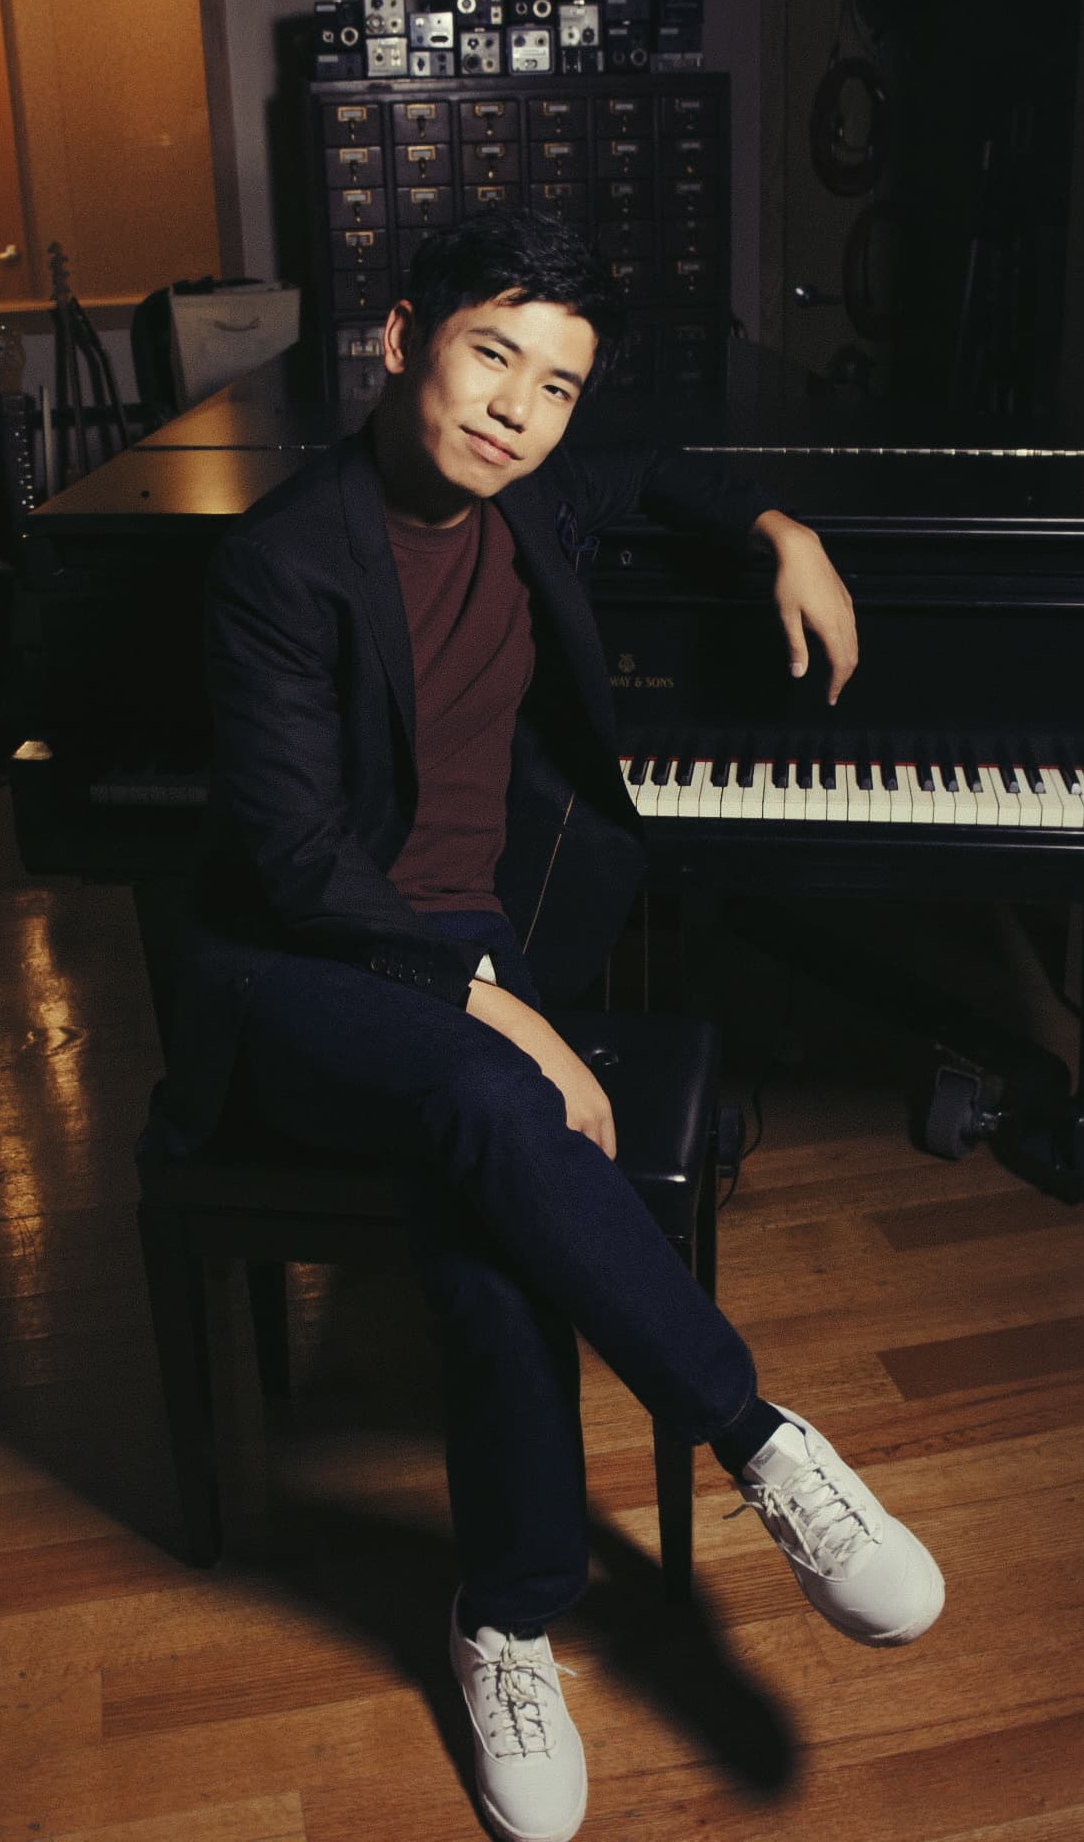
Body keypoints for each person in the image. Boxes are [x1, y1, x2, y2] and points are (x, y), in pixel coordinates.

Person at [140, 211, 944, 1842]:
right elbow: (295, 863)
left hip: (459, 947)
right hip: (300, 970)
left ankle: (502, 1621)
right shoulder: (279, 562)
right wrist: (507, 1008)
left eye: (556, 385)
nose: (519, 409)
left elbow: (659, 470)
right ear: (399, 339)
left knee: (486, 1230)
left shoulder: (540, 493)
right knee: (501, 1101)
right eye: (490, 354)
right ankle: (764, 1443)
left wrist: (785, 524)